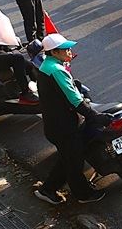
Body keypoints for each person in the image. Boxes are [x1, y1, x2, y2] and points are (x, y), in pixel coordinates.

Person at [33, 33, 106, 205]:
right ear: (54, 52)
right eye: (65, 49)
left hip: (57, 123)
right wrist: (95, 116)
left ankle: (47, 189)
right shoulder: (56, 70)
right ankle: (83, 195)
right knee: (74, 162)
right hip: (63, 126)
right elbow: (75, 99)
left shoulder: (48, 65)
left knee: (68, 159)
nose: (69, 52)